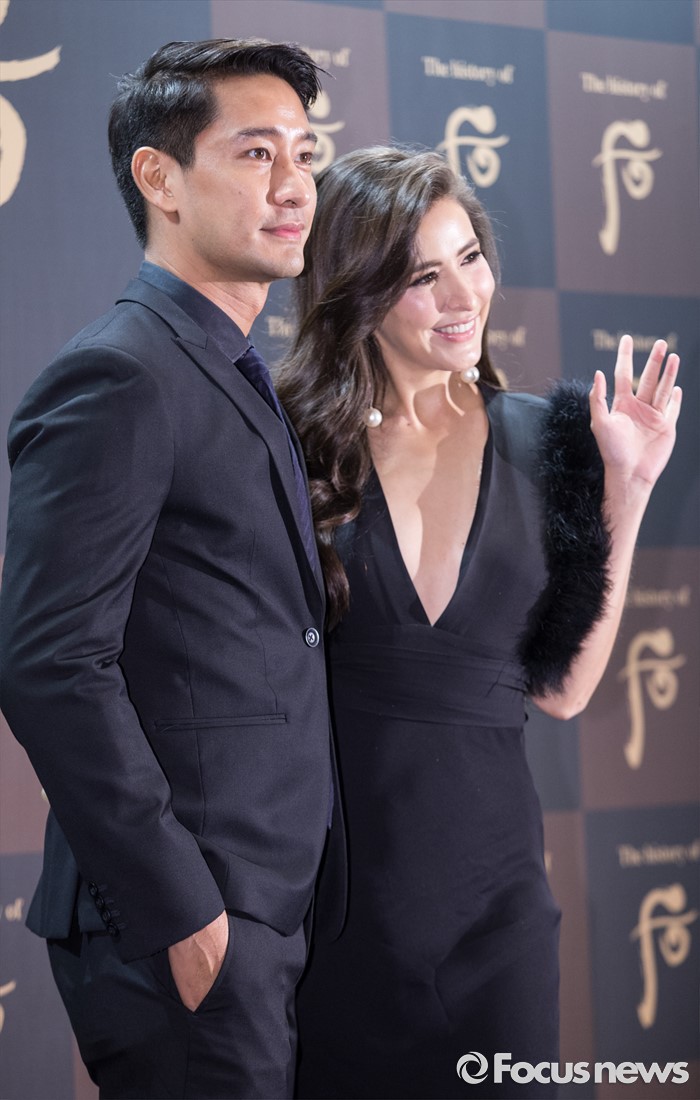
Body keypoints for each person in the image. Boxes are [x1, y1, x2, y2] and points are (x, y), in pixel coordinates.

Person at [276, 146, 681, 1100]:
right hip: (333, 910)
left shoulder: (553, 440)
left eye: (471, 258)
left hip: (495, 915)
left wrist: (627, 491)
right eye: (424, 276)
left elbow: (563, 689)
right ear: (359, 289)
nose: (465, 296)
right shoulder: (295, 445)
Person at [0, 38, 339, 1100]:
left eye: (304, 153)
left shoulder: (227, 364)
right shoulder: (122, 374)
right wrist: (185, 916)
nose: (295, 185)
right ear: (160, 177)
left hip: (269, 909)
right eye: (255, 153)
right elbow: (50, 664)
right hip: (189, 925)